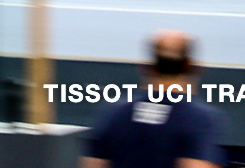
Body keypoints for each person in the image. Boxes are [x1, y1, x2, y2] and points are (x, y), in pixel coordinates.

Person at [81, 31, 226, 168]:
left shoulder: (115, 112)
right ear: (191, 66)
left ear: (148, 67)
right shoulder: (199, 118)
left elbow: (93, 164)